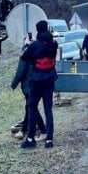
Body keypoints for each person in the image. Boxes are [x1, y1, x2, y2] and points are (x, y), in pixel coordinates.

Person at [20, 20, 58, 149]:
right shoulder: (54, 44)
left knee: (32, 107)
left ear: (37, 30)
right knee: (48, 109)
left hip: (36, 82)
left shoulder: (34, 45)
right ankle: (49, 140)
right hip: (50, 81)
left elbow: (24, 57)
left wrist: (26, 45)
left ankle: (30, 139)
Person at [10, 38, 46, 140]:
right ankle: (23, 130)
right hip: (38, 83)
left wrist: (13, 84)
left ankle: (43, 130)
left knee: (31, 108)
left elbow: (20, 71)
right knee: (29, 107)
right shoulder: (39, 51)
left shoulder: (25, 53)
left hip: (28, 85)